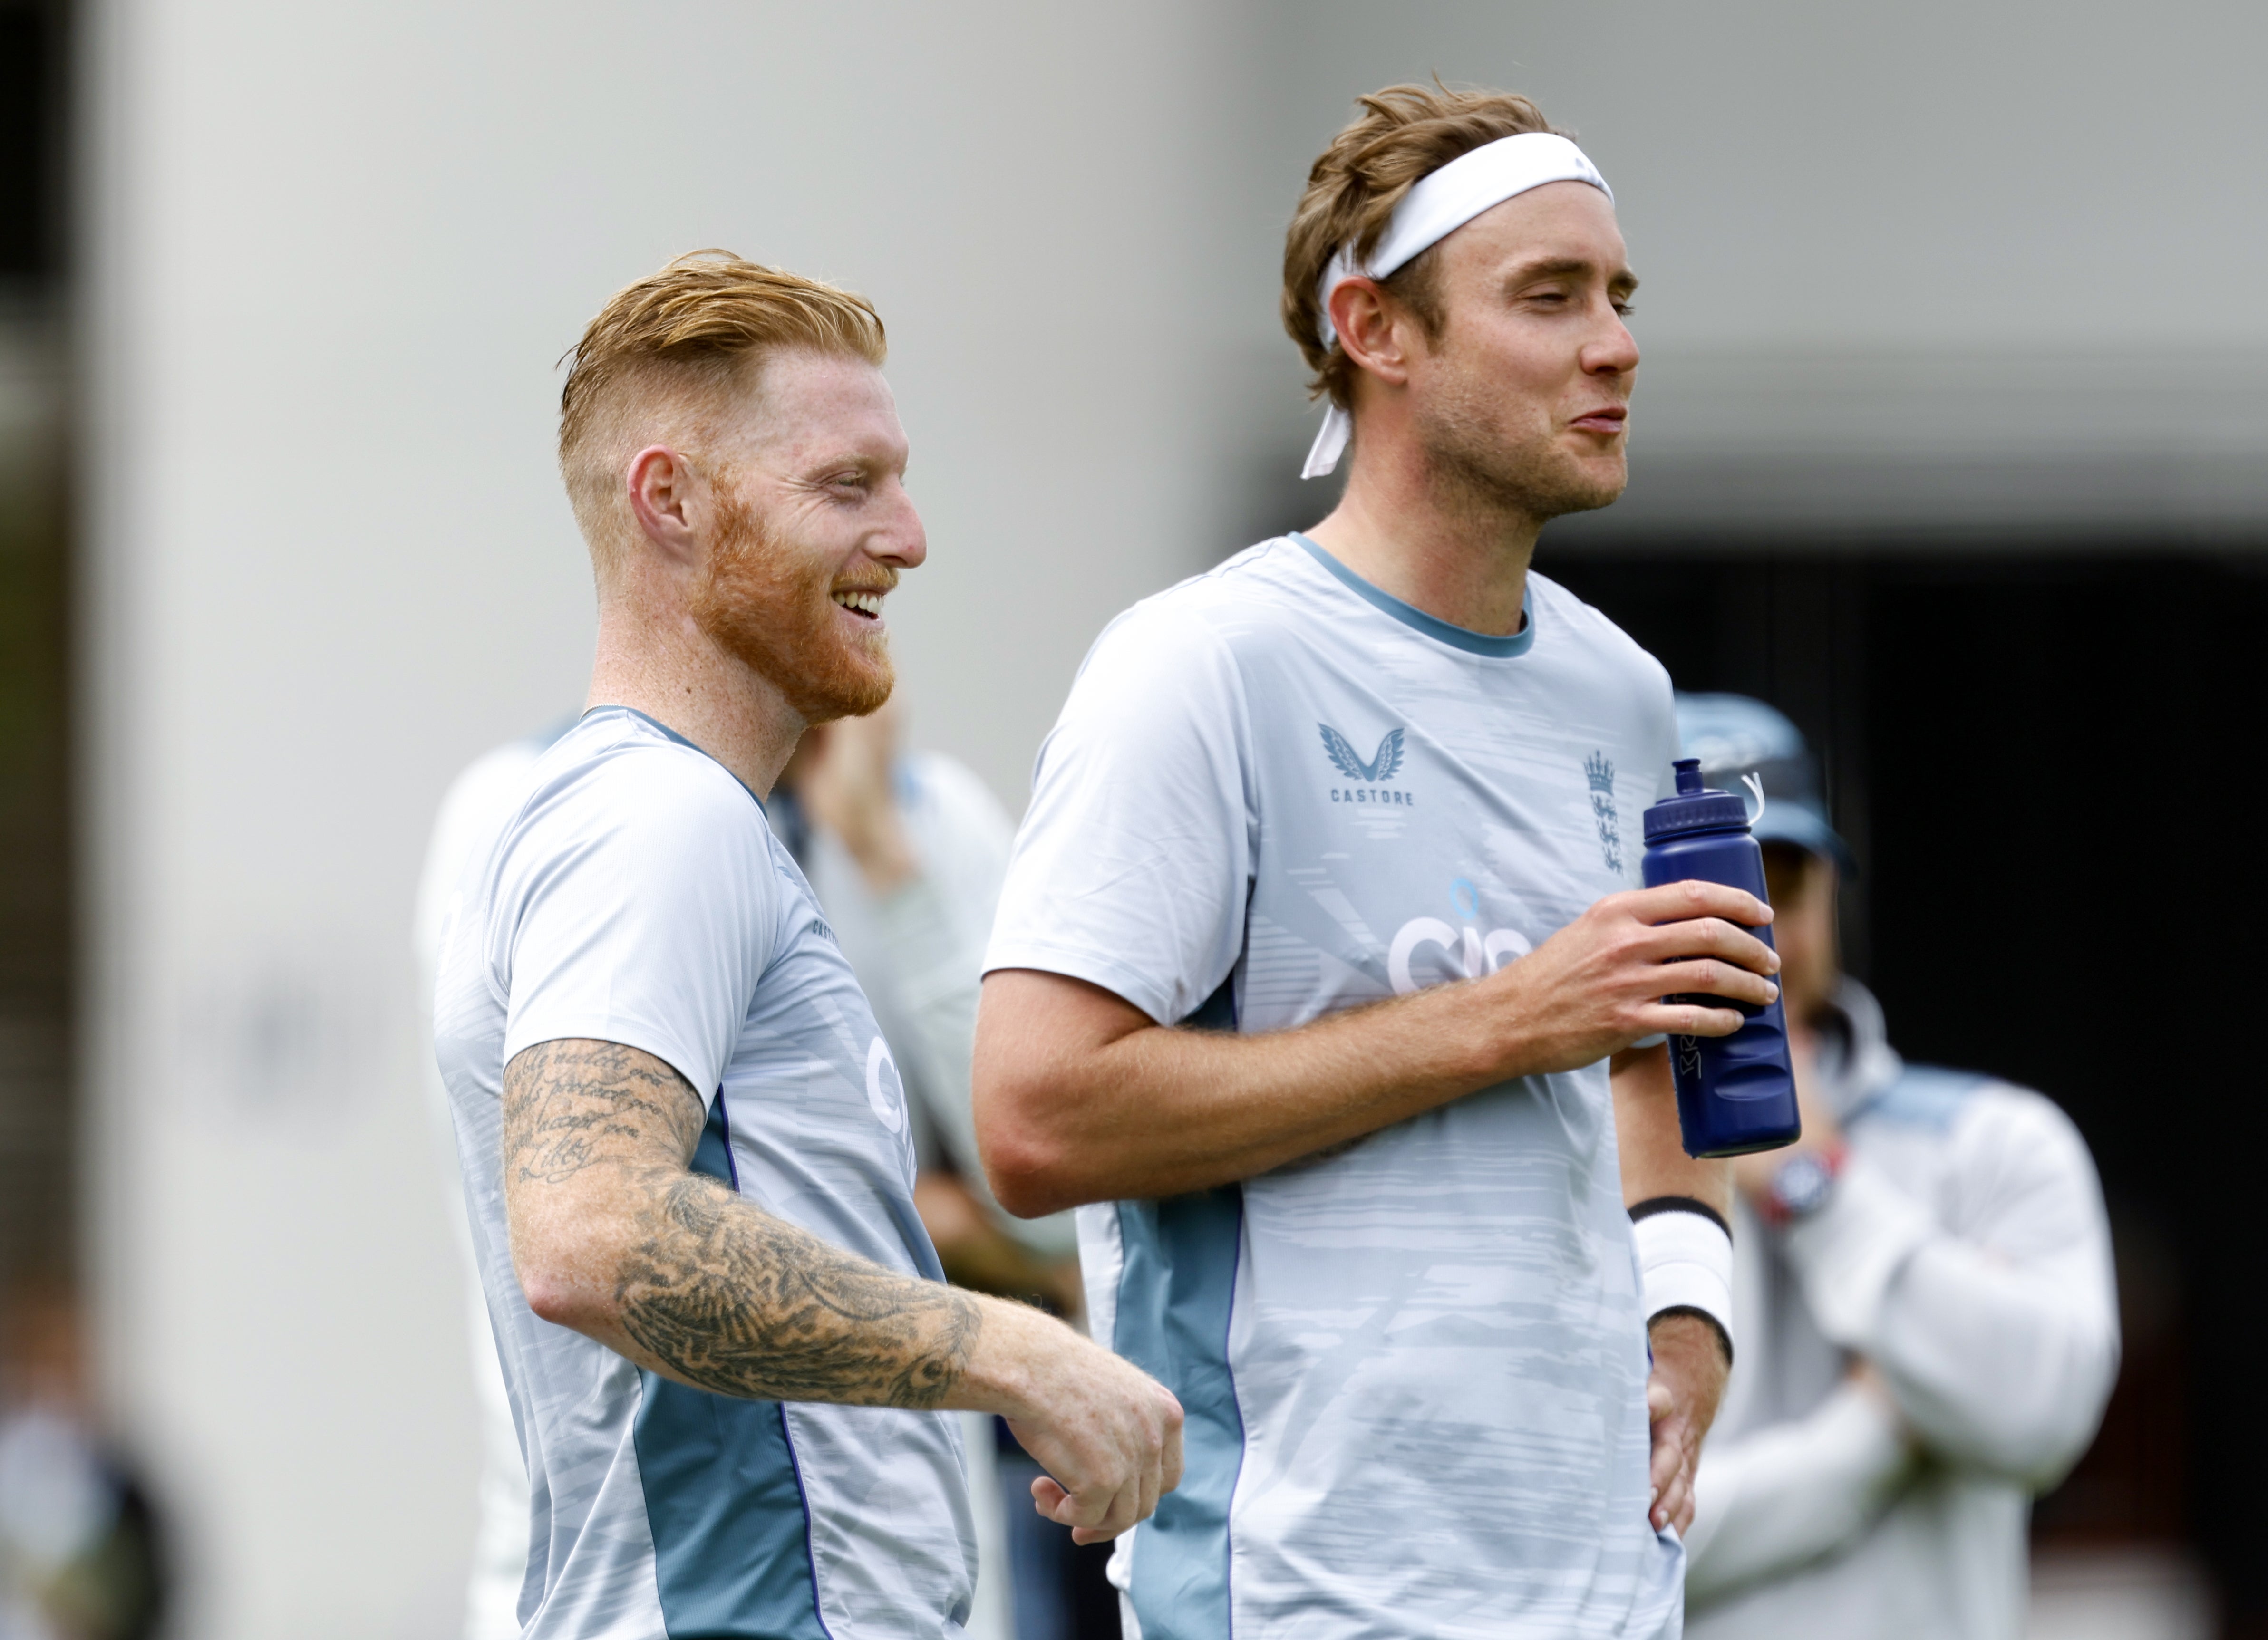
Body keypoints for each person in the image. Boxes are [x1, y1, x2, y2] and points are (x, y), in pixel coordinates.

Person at [971, 85, 1780, 1639]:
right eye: (1548, 297)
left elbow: (1650, 1065)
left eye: (1618, 297)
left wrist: (1690, 1321)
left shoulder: (1624, 690)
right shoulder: (1206, 664)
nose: (1614, 343)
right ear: (1374, 329)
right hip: (1304, 1590)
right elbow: (1033, 1115)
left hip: (1604, 1592)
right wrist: (1512, 1017)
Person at [430, 251, 1182, 1639]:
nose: (909, 535)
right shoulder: (659, 818)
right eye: (848, 486)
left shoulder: (661, 814)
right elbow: (592, 1235)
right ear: (672, 501)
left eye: (896, 480)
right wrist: (1013, 1349)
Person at [1674, 693, 2119, 1639]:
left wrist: (1818, 1186)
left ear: (1832, 893)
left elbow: (2041, 1417)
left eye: (1781, 892)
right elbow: (1595, 1552)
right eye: (1708, 905)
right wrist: (1879, 1435)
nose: (1754, 946)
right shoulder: (1566, 1179)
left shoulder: (1993, 1139)